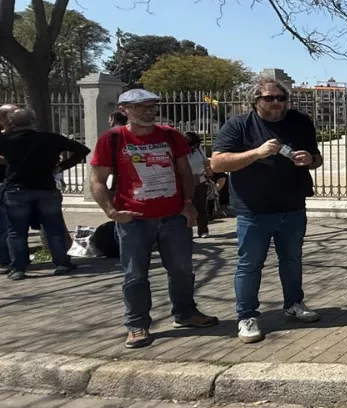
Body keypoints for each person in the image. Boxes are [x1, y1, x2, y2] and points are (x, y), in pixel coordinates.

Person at [89, 90, 218, 349]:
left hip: (173, 217)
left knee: (182, 271)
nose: (148, 111)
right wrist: (112, 213)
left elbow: (185, 173)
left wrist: (188, 204)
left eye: (152, 106)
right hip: (134, 220)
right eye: (140, 107)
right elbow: (97, 180)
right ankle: (136, 324)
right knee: (135, 275)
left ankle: (185, 313)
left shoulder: (170, 135)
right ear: (124, 109)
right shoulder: (113, 139)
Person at [212, 77, 323, 344]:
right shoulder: (239, 125)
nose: (276, 103)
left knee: (292, 260)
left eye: (281, 98)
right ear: (256, 100)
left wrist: (310, 160)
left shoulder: (300, 121)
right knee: (249, 265)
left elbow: (317, 157)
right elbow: (217, 161)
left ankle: (294, 304)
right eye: (269, 98)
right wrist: (257, 153)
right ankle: (247, 316)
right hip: (254, 209)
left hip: (293, 206)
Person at [1, 108, 88, 280]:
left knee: (16, 232)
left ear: (11, 123)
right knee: (53, 228)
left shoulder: (6, 140)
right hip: (46, 188)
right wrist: (62, 167)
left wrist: (8, 129)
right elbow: (82, 150)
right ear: (34, 120)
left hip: (16, 189)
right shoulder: (50, 138)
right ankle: (62, 263)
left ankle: (18, 268)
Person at [0, 103, 18, 274]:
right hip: (2, 184)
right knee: (4, 226)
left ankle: (16, 257)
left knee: (13, 226)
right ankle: (5, 260)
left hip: (14, 184)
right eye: (14, 114)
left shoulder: (18, 135)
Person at [184, 132, 210, 238]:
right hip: (185, 182)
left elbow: (206, 162)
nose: (194, 147)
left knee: (201, 207)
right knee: (185, 207)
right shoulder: (180, 150)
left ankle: (203, 230)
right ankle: (185, 231)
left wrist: (207, 171)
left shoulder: (199, 149)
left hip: (200, 180)